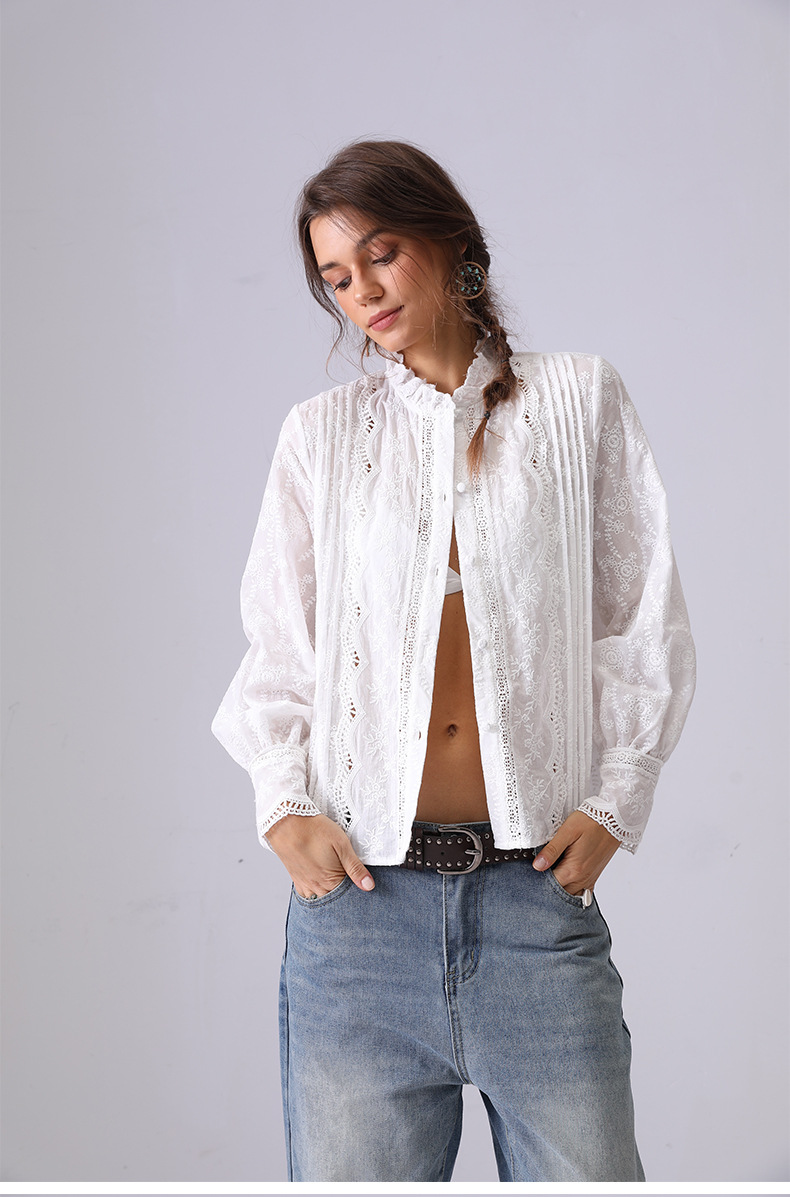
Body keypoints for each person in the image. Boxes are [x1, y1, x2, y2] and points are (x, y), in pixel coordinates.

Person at [211, 139, 696, 1182]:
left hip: (532, 907)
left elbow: (639, 615)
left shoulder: (578, 401)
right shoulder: (321, 437)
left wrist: (618, 797)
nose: (362, 290)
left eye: (380, 253)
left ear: (452, 244)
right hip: (358, 926)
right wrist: (282, 802)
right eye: (336, 276)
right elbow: (280, 646)